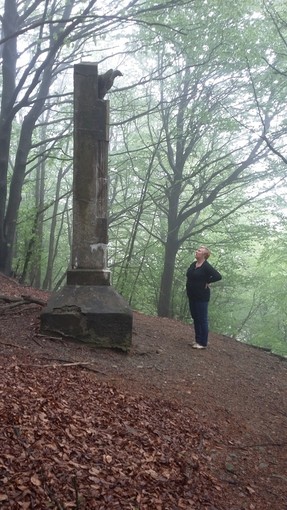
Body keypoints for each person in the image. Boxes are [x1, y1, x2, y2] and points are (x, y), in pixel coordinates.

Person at [186, 246, 222, 349]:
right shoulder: (193, 264)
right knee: (195, 318)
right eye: (197, 250)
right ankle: (197, 340)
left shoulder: (206, 266)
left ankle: (203, 343)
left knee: (202, 319)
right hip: (192, 295)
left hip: (202, 297)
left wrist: (208, 281)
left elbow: (218, 276)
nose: (196, 252)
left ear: (204, 255)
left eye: (199, 251)